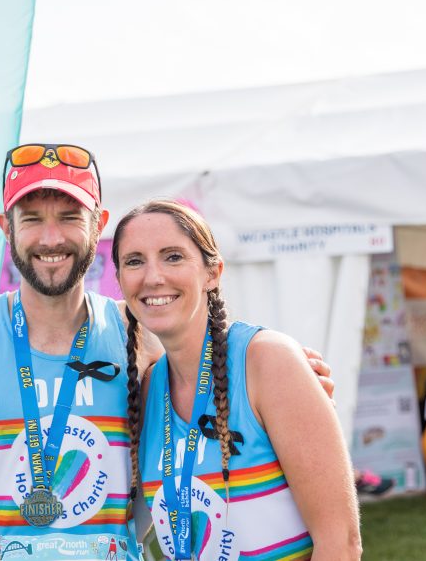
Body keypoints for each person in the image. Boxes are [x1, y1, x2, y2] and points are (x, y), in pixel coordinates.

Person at [0, 144, 335, 560]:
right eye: (32, 220)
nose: (51, 238)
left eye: (69, 217)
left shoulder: (141, 335)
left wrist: (292, 373)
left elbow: (181, 447)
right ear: (6, 228)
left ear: (98, 225)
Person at [113, 200, 360, 560]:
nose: (153, 276)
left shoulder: (267, 361)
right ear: (119, 280)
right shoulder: (150, 389)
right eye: (134, 261)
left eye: (173, 257)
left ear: (213, 272)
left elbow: (340, 542)